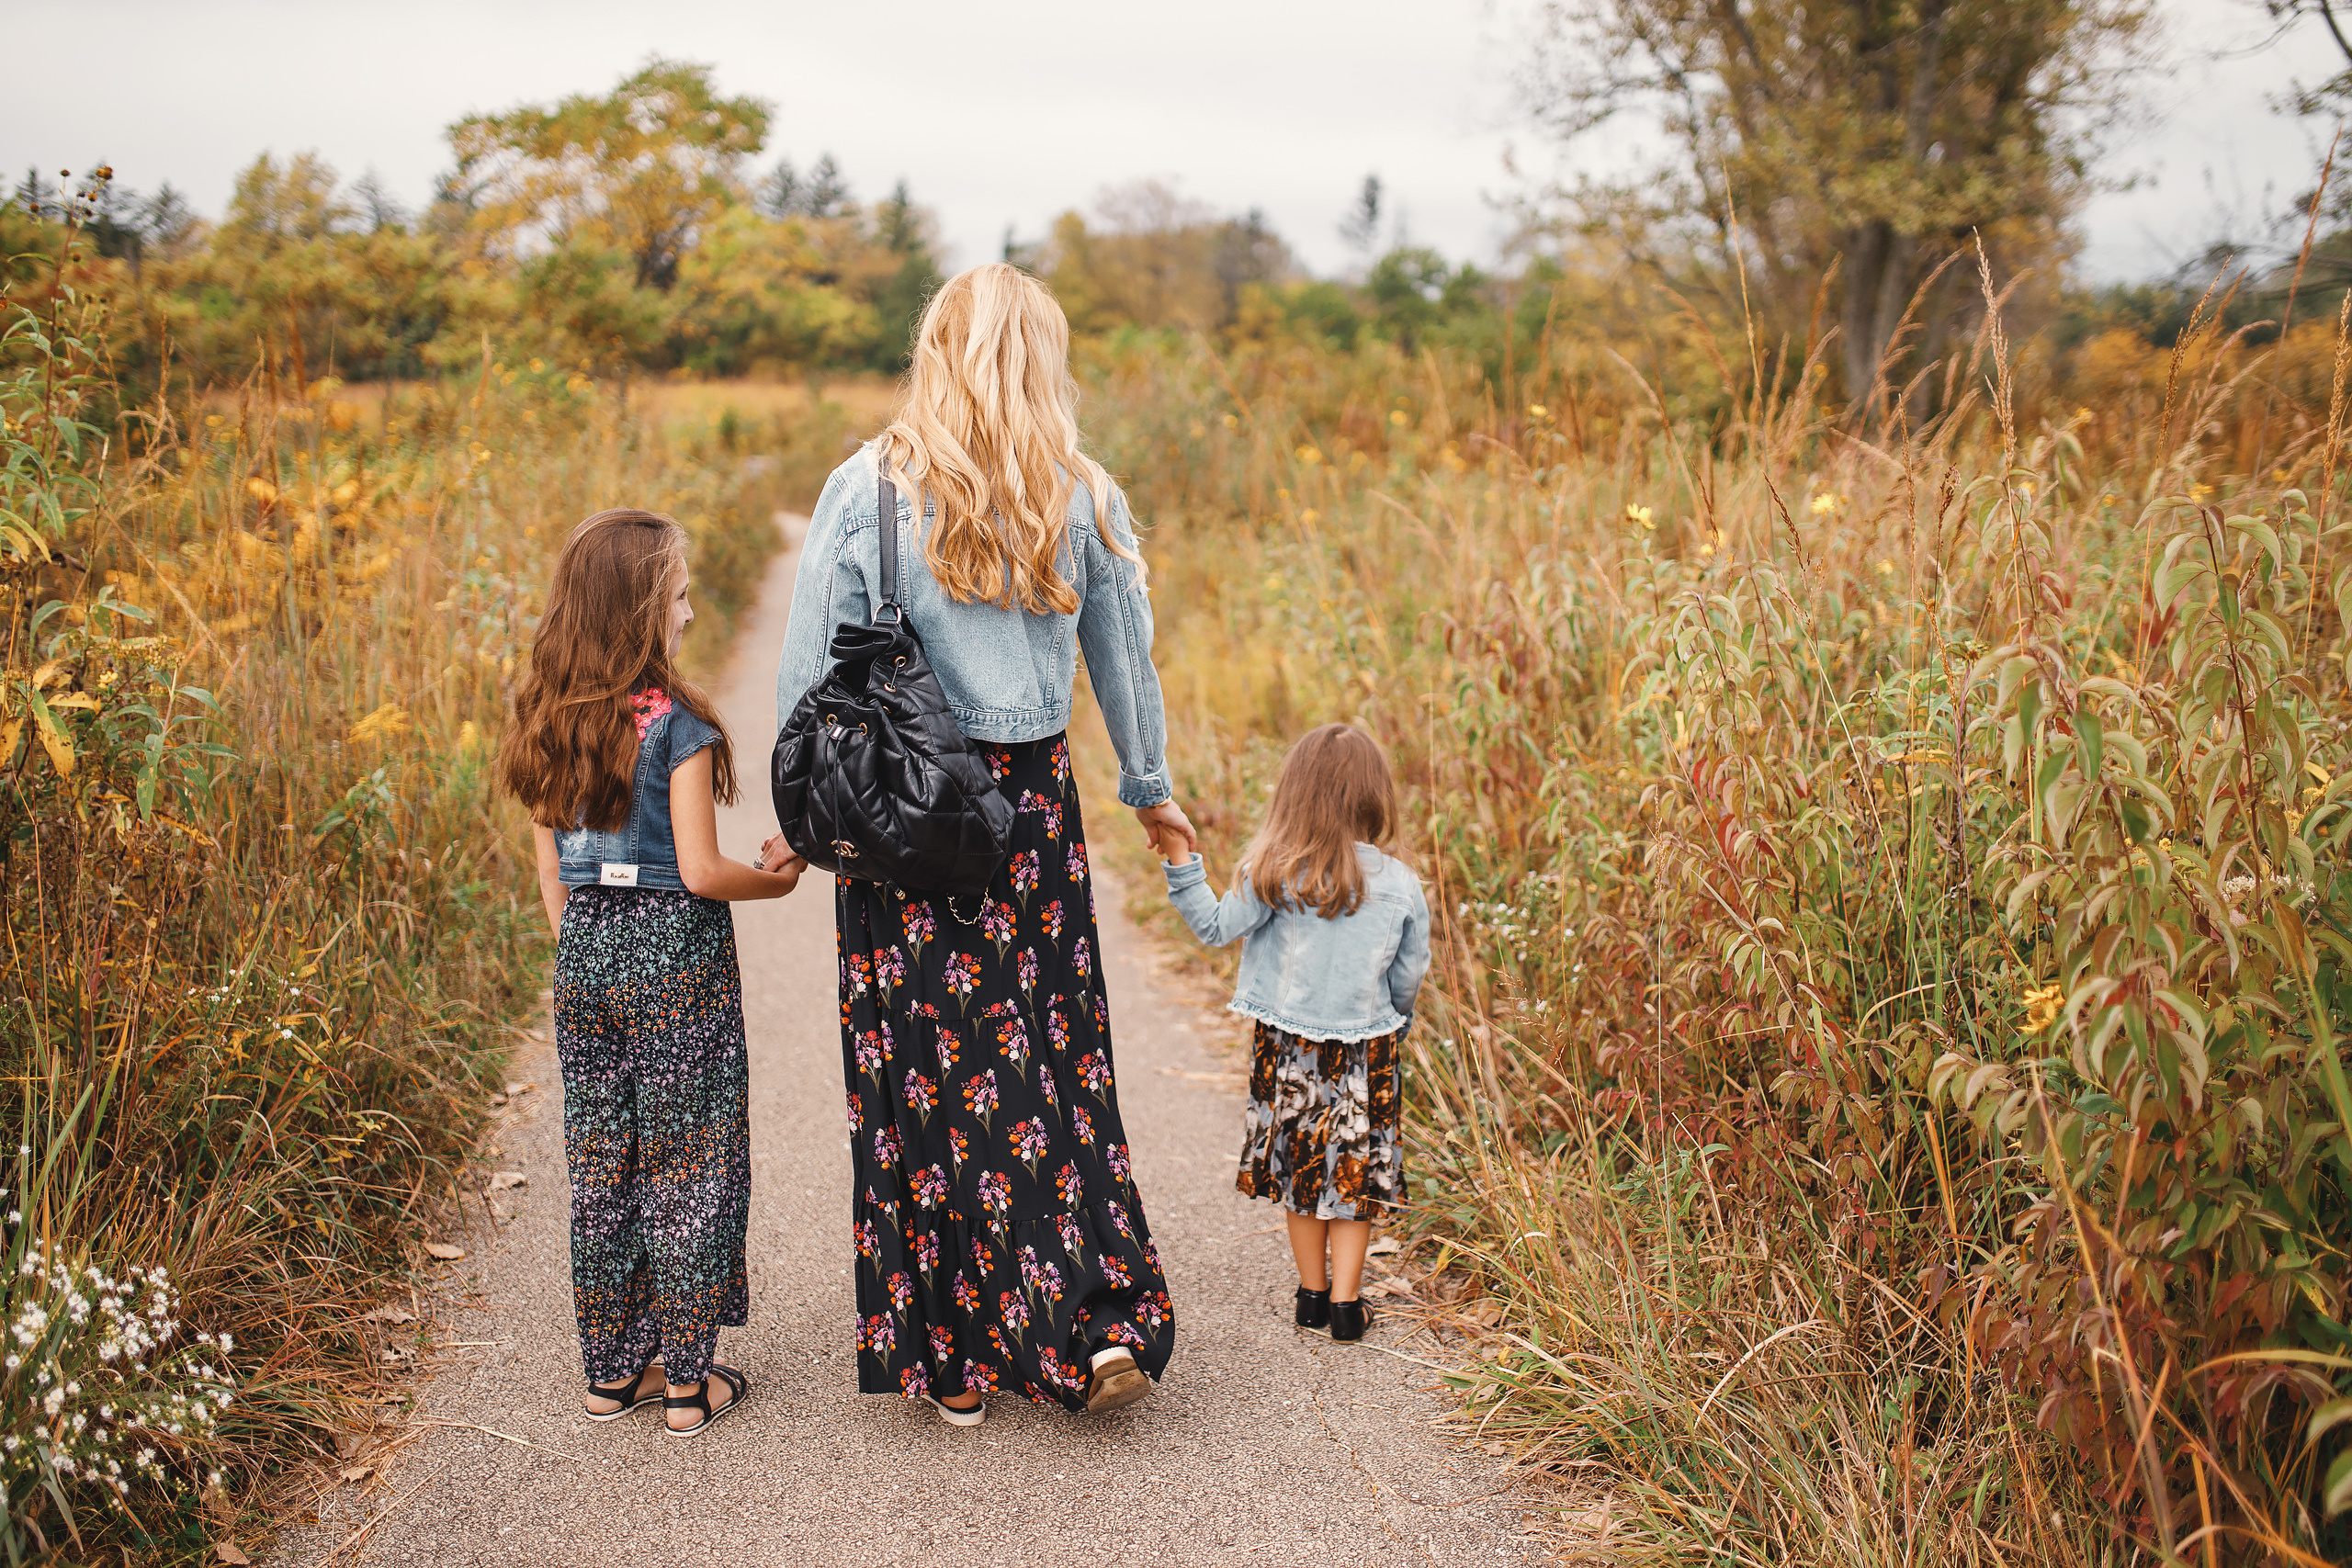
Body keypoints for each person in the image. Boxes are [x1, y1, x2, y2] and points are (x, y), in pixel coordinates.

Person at [776, 264, 1193, 1426]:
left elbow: (810, 675)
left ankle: (955, 1360)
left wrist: (802, 821)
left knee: (925, 1076)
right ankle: (1092, 1315)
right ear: (1040, 360)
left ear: (936, 352)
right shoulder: (1082, 491)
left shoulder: (866, 489)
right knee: (1049, 1063)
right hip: (1031, 815)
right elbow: (1126, 661)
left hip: (905, 814)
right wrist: (1150, 790)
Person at [499, 508, 805, 1440]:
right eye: (679, 595)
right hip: (676, 950)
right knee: (689, 1158)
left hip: (585, 948)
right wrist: (778, 881)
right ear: (641, 611)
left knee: (605, 1160)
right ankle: (686, 1381)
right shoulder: (675, 726)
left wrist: (584, 947)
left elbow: (552, 872)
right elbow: (703, 871)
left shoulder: (545, 714)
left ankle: (609, 1373)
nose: (693, 612)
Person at [1159, 723, 1428, 1343]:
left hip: (1289, 1050)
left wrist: (1180, 859)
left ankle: (1309, 1293)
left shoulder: (1271, 870)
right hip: (1367, 1049)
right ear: (1373, 795)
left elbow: (1215, 926)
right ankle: (1345, 1304)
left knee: (1304, 1171)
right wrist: (1397, 1024)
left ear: (1295, 793)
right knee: (1353, 1175)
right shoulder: (1400, 883)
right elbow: (1410, 971)